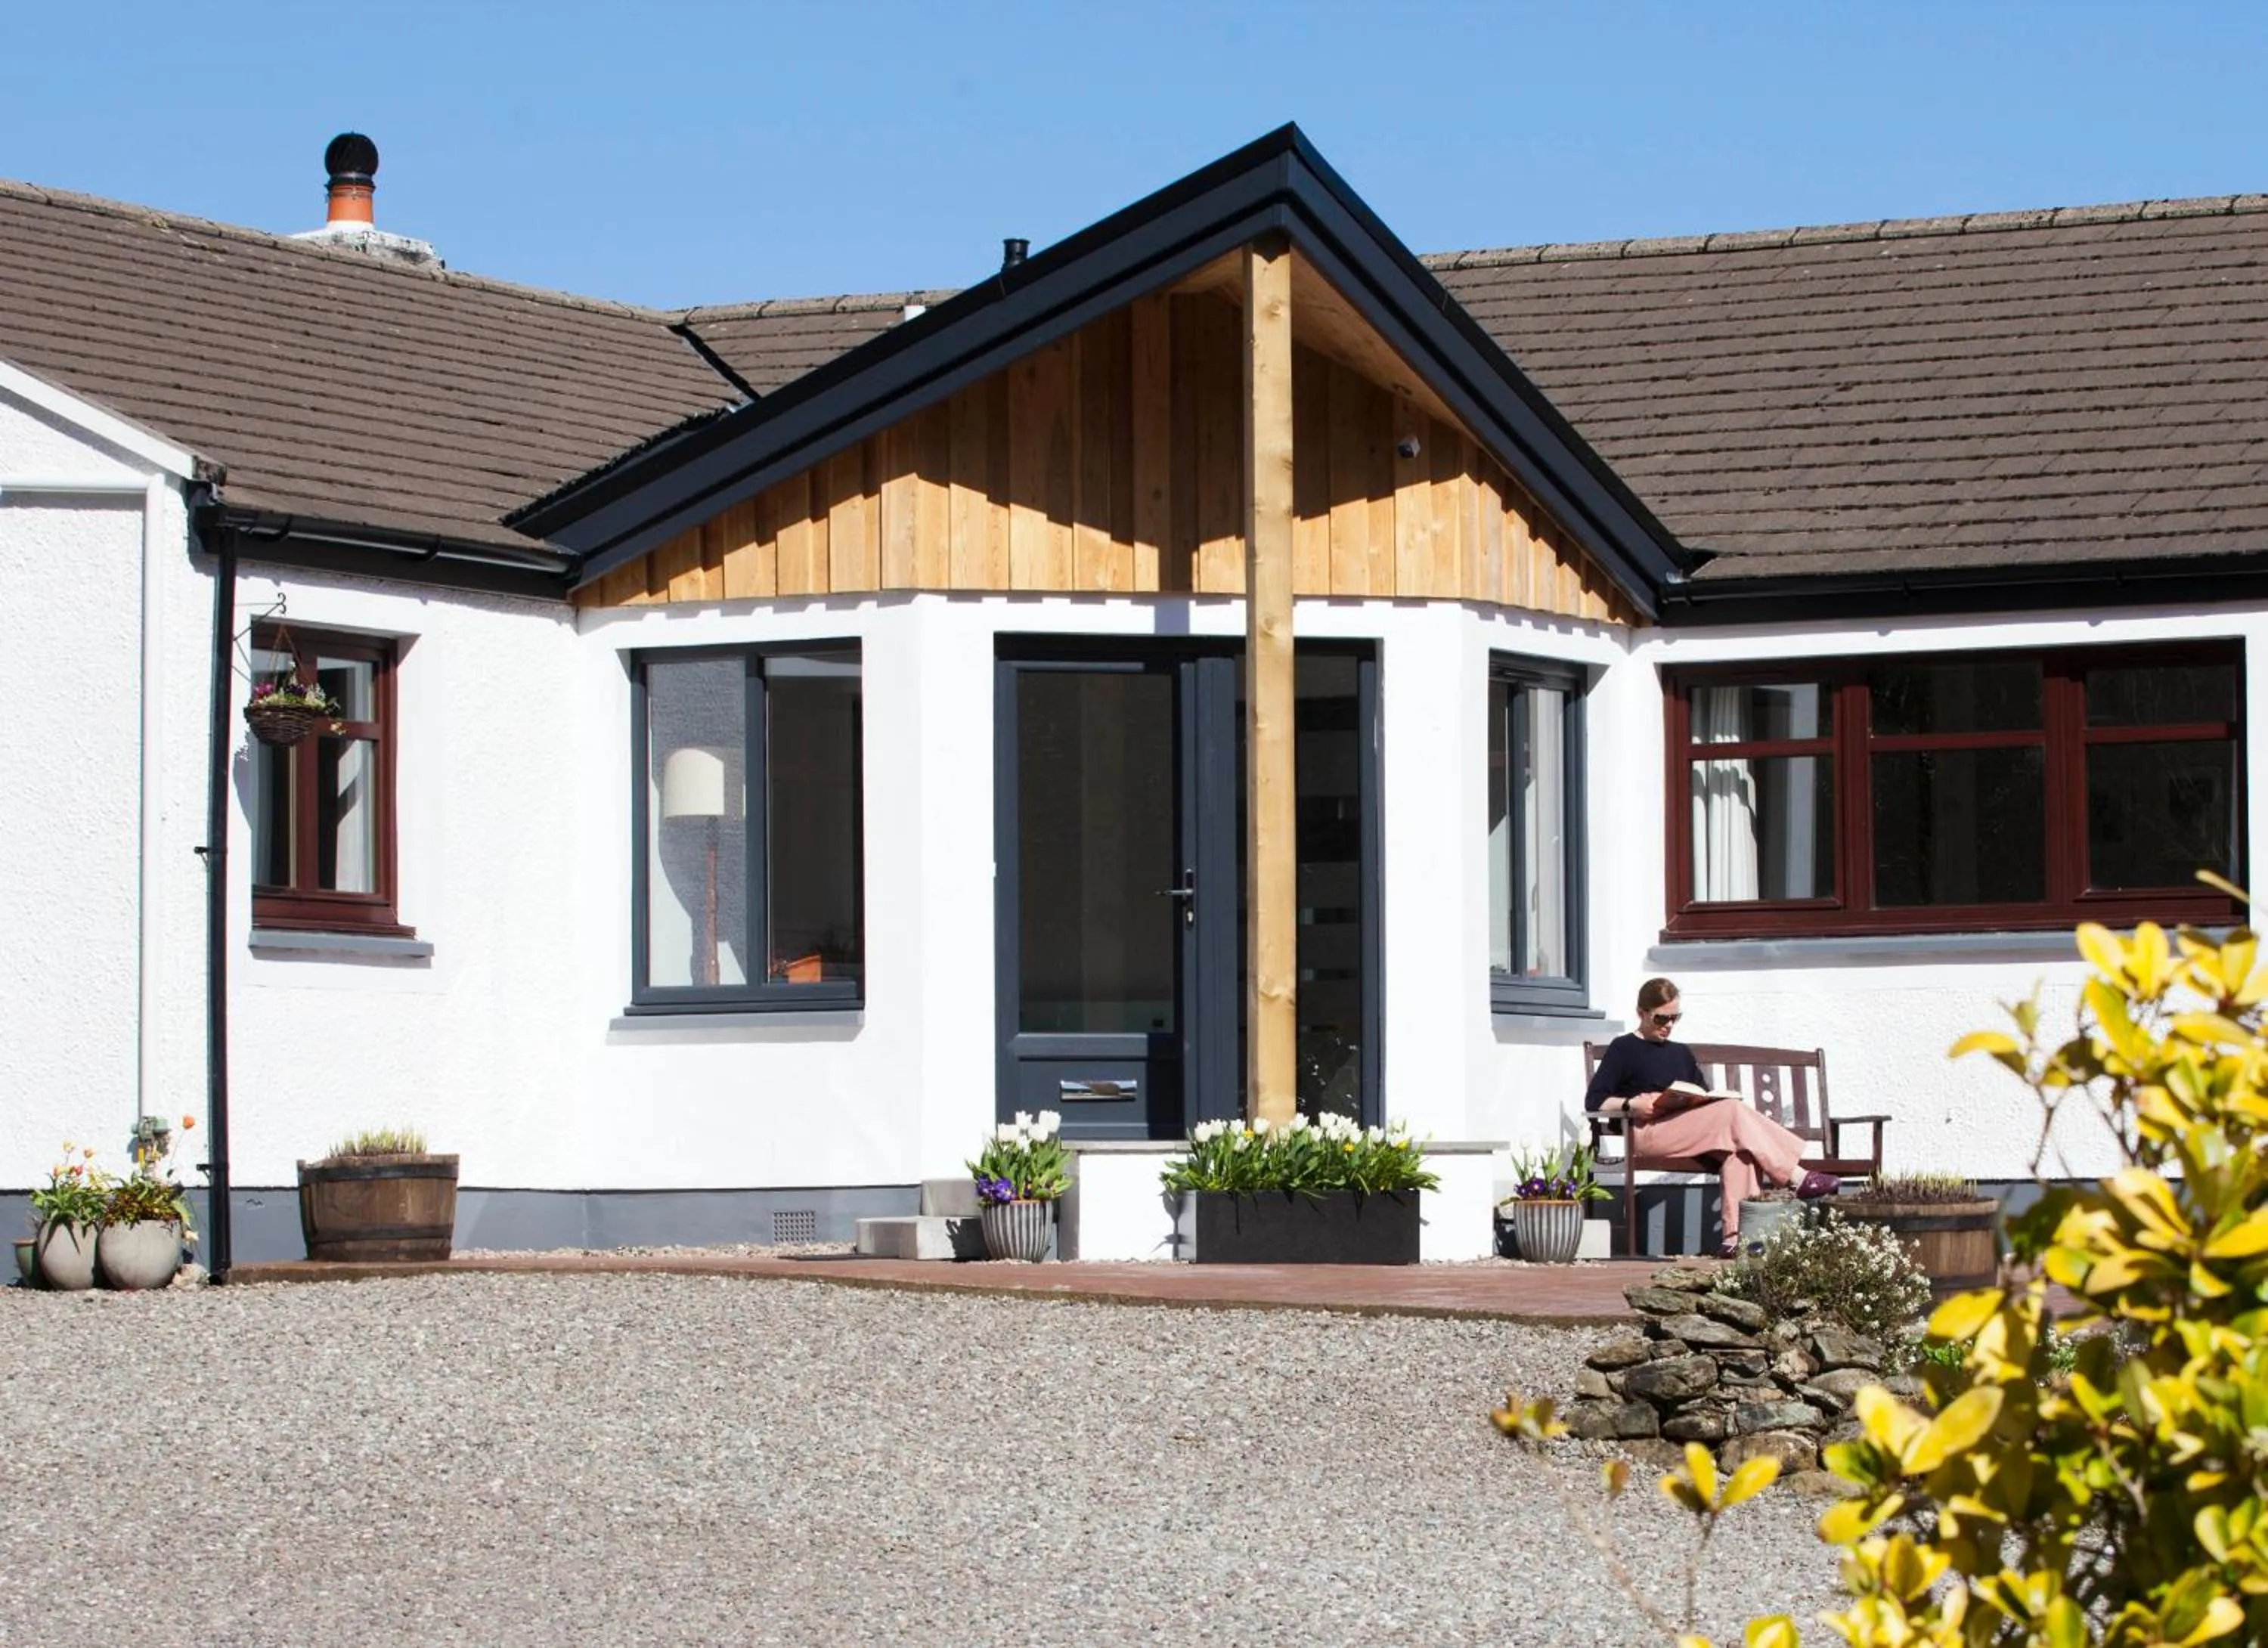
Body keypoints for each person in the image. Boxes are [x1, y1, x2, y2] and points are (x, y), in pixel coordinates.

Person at [1584, 977, 1838, 1257]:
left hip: (1692, 1130)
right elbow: (1595, 1100)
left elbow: (1702, 1095)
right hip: (1648, 1130)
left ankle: (1736, 1239)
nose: (1668, 1025)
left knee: (1740, 1152)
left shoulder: (1680, 1052)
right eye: (1661, 1018)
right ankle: (1795, 1175)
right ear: (1641, 1013)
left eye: (1674, 1018)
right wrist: (1631, 1104)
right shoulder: (1624, 1048)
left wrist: (1703, 1099)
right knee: (1732, 1113)